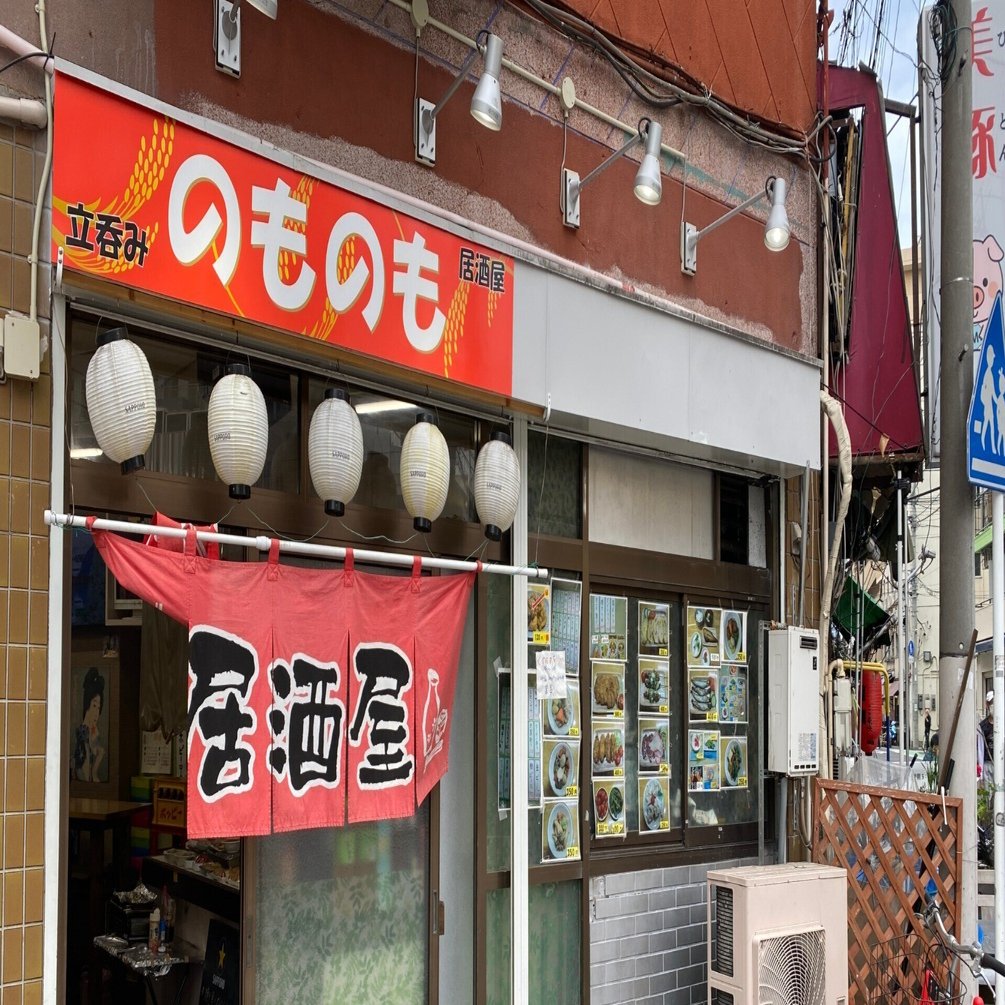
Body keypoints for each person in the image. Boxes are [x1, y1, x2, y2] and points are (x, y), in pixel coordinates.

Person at [72, 667, 105, 782]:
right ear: (87, 705)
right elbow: (88, 778)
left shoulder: (92, 733)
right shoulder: (83, 736)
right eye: (94, 705)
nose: (96, 712)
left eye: (99, 707)